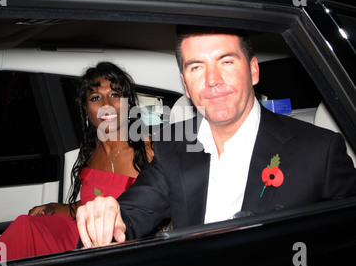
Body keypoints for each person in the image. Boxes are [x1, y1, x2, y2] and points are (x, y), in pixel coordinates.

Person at [76, 26, 356, 248]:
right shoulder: (174, 144)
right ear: (186, 85)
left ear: (253, 70)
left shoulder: (320, 150)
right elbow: (135, 211)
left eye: (226, 61)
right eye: (196, 67)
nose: (212, 80)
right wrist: (109, 216)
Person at [0, 62, 152, 265]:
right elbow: (88, 206)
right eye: (96, 97)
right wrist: (54, 208)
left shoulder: (149, 149)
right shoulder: (89, 153)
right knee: (26, 226)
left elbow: (163, 208)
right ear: (86, 110)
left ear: (128, 103)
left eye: (114, 94)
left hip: (123, 246)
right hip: (83, 238)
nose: (106, 104)